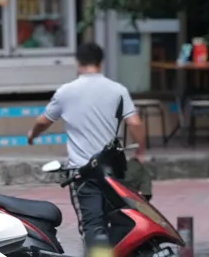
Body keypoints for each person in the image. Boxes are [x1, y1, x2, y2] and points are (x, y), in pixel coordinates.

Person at [28, 40, 143, 246]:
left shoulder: (66, 91)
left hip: (83, 173)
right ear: (101, 63)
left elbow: (43, 121)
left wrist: (32, 135)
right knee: (120, 218)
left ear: (78, 62)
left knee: (92, 226)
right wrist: (140, 148)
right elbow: (134, 123)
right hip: (112, 170)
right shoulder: (117, 90)